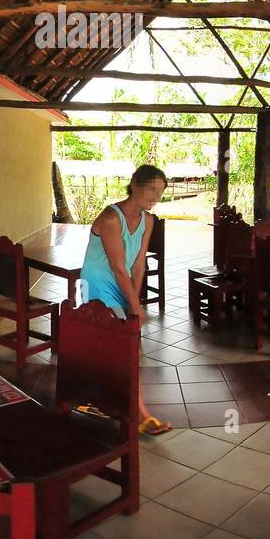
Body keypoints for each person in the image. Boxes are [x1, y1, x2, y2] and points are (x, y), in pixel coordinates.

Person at [78, 164, 169, 437]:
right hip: (96, 286)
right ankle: (141, 415)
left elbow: (138, 264)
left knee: (109, 347)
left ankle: (90, 399)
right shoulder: (110, 218)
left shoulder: (148, 220)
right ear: (135, 185)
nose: (156, 196)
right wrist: (134, 307)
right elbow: (118, 267)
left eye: (161, 192)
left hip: (122, 285)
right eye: (152, 190)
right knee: (130, 348)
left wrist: (134, 302)